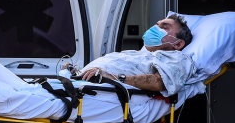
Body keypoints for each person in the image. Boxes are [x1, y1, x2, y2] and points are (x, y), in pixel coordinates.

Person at [66, 13, 195, 96]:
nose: (155, 29)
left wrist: (113, 77)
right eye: (156, 25)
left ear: (178, 44)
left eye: (164, 27)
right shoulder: (136, 54)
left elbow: (159, 83)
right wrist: (74, 72)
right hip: (78, 85)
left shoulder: (178, 59)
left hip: (94, 91)